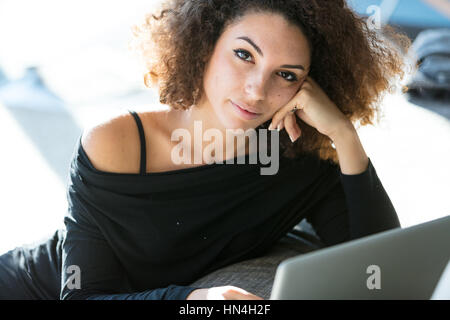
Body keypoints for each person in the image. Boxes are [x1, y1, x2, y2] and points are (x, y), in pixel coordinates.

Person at [0, 0, 410, 300]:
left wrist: (344, 135)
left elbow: (383, 273)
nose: (257, 89)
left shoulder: (298, 156)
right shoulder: (118, 143)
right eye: (244, 55)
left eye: (286, 74)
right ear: (204, 46)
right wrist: (194, 302)